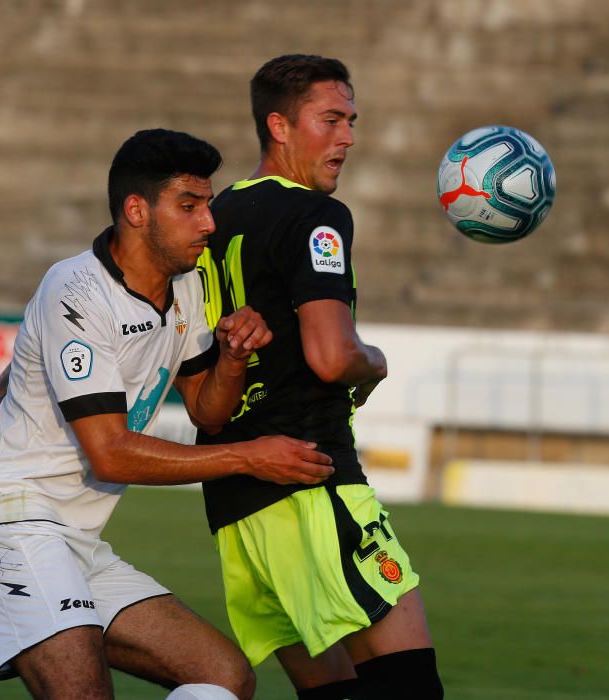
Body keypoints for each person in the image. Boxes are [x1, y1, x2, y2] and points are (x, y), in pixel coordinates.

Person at [0, 128, 334, 700]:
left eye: (207, 204)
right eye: (189, 206)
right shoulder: (75, 290)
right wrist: (248, 459)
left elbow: (208, 412)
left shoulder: (186, 287)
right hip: (6, 522)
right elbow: (110, 453)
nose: (208, 223)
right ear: (137, 211)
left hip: (76, 541)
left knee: (223, 677)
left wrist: (233, 359)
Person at [192, 55, 444, 699]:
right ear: (278, 125)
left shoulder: (209, 222)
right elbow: (332, 357)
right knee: (409, 687)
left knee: (334, 693)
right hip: (310, 475)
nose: (348, 137)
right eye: (330, 120)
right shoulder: (314, 216)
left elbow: (205, 403)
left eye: (351, 121)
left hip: (236, 502)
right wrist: (374, 363)